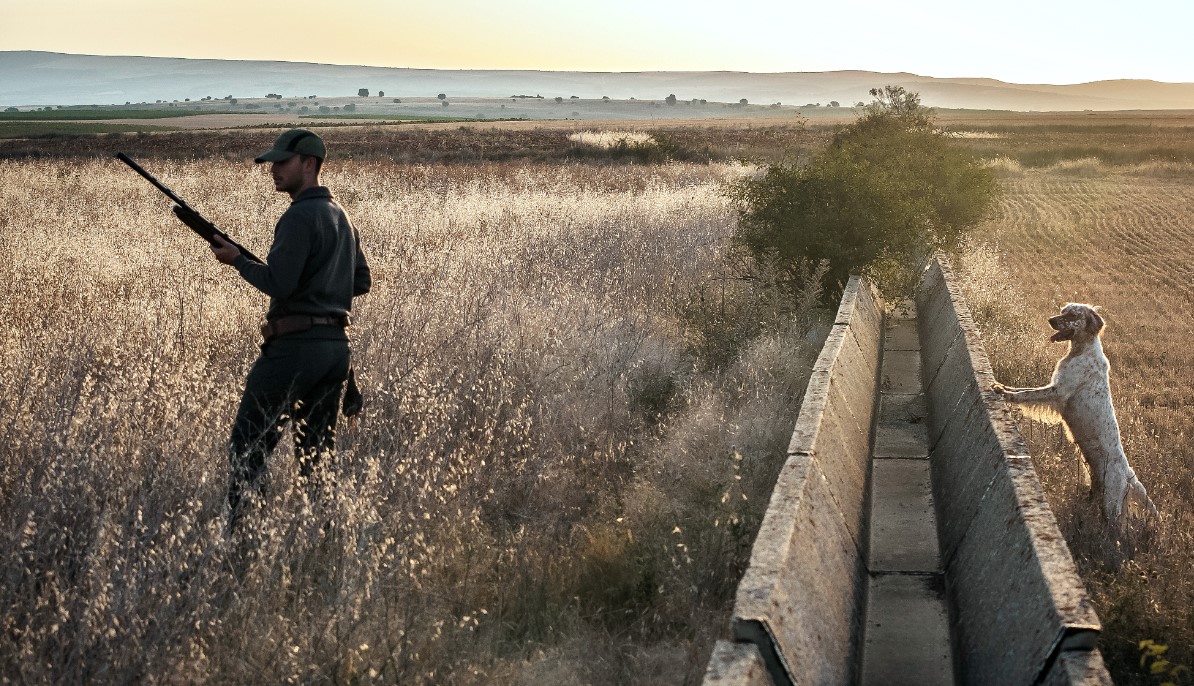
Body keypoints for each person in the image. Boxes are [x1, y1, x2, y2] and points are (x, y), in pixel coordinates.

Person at [210, 128, 371, 532]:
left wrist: (237, 261)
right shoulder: (341, 217)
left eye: (282, 162)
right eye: (272, 162)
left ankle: (243, 539)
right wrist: (322, 291)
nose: (274, 169)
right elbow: (361, 281)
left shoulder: (299, 216)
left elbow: (279, 284)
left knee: (247, 446)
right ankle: (329, 537)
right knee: (317, 456)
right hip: (335, 352)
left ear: (310, 165)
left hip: (294, 350)